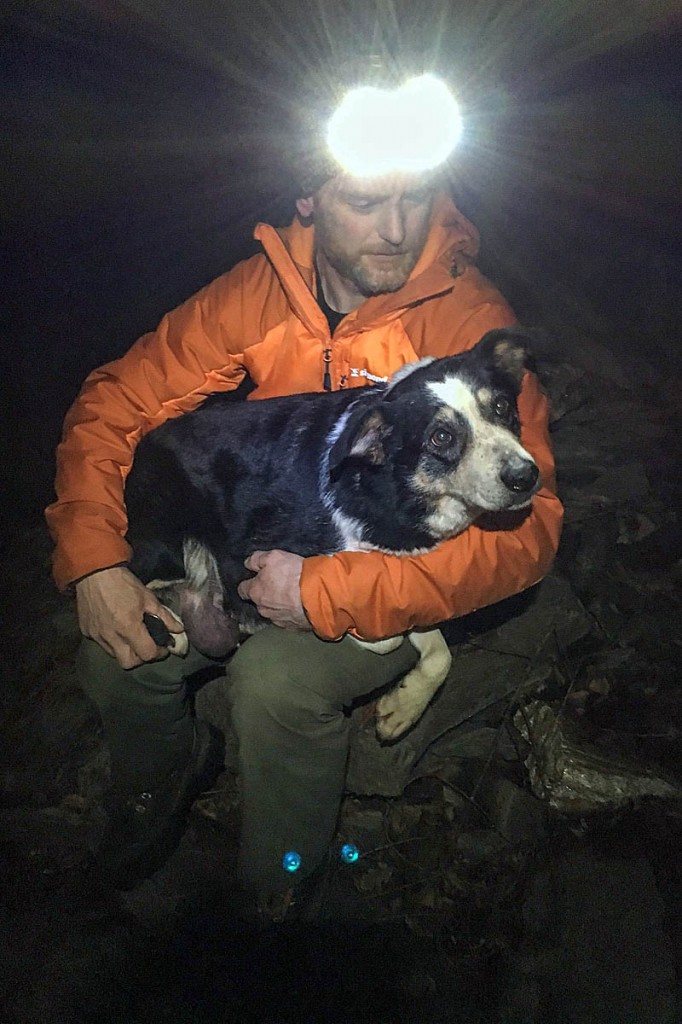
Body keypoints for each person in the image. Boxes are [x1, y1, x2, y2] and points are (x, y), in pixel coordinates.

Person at [45, 70, 563, 910]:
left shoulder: (466, 322)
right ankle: (160, 778)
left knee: (276, 688)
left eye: (417, 195)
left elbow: (532, 532)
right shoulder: (257, 294)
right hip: (255, 529)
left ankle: (279, 888)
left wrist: (326, 590)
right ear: (311, 196)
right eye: (365, 201)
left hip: (393, 572)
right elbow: (112, 404)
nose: (397, 230)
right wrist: (94, 560)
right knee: (118, 655)